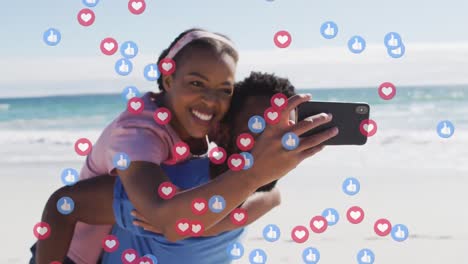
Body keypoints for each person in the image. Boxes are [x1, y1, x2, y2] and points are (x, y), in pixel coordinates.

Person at [32, 27, 338, 263]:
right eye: (196, 83)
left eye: (224, 89)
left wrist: (218, 220)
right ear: (167, 80)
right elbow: (167, 218)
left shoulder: (198, 127)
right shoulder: (138, 134)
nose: (210, 98)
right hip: (73, 251)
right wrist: (251, 175)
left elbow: (270, 193)